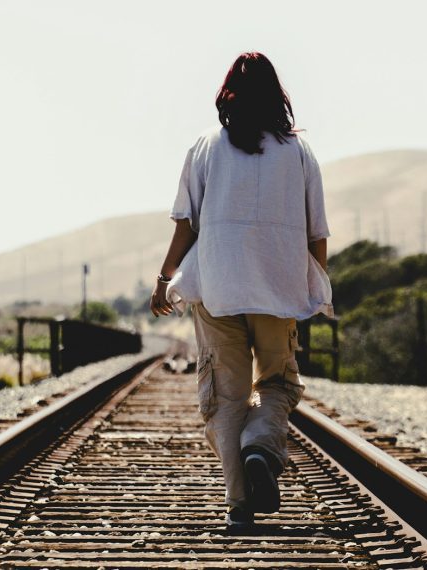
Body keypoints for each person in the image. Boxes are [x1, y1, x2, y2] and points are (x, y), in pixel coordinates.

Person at [149, 51, 332, 529]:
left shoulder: (205, 147)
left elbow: (186, 226)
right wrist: (312, 291)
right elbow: (317, 235)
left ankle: (239, 504)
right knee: (279, 383)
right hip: (278, 287)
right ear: (278, 95)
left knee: (225, 396)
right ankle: (259, 447)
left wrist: (165, 278)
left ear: (228, 93)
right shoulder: (300, 153)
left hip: (216, 287)